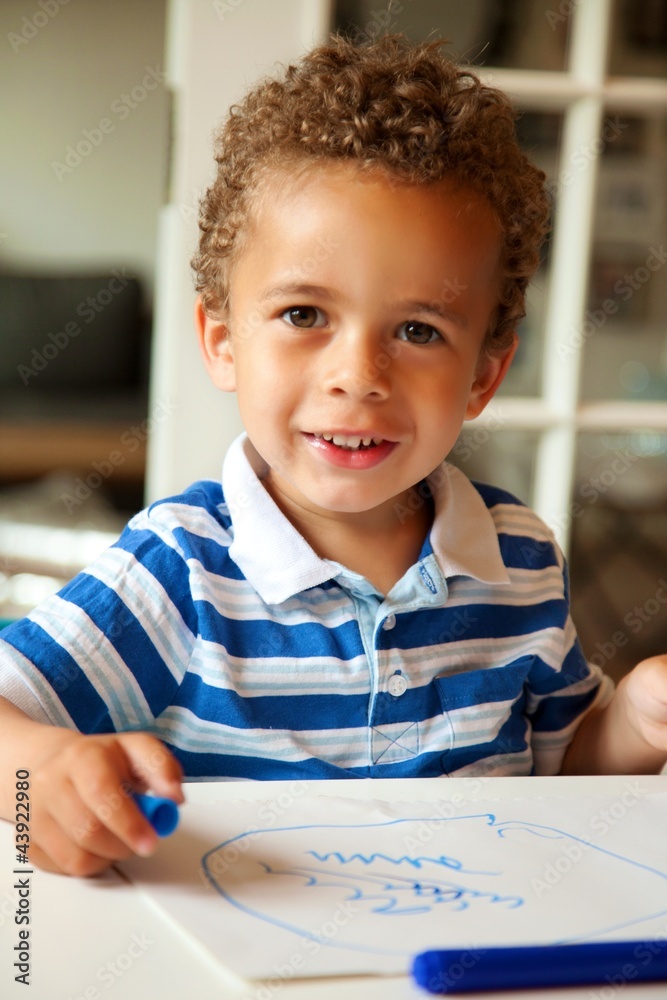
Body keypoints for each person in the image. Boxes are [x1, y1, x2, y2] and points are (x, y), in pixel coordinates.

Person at [1, 35, 666, 877]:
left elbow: (563, 774)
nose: (358, 376)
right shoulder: (183, 569)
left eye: (419, 331)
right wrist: (32, 771)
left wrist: (639, 721)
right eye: (305, 314)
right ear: (221, 340)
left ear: (483, 375)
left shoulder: (520, 558)